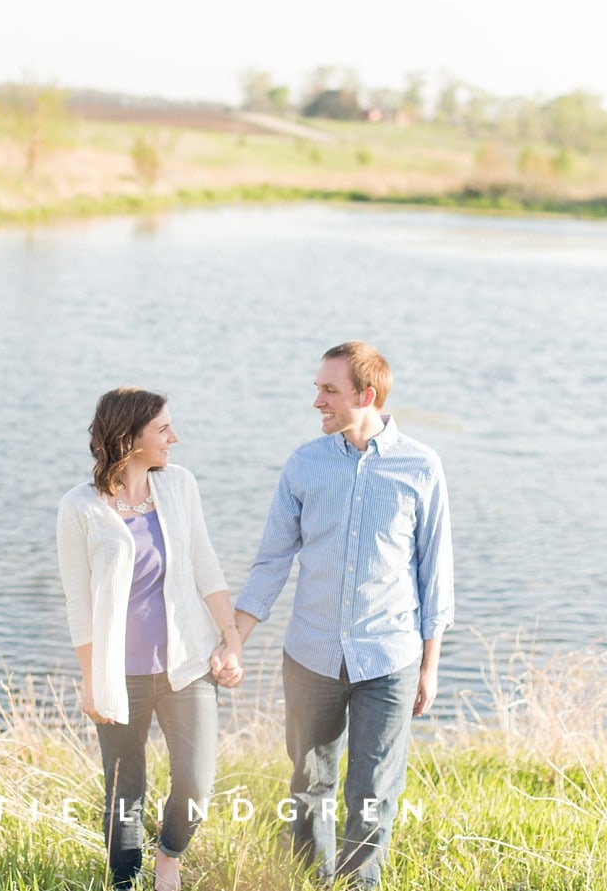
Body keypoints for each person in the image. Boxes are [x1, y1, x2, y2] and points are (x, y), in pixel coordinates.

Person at [224, 342, 454, 888]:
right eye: (317, 389)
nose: (317, 402)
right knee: (308, 786)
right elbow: (272, 562)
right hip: (311, 655)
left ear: (366, 395)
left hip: (389, 657)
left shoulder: (421, 467)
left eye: (329, 390)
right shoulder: (305, 464)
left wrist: (430, 666)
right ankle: (311, 883)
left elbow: (435, 574)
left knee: (373, 793)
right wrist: (234, 639)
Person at [57, 387, 245, 890]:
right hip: (120, 675)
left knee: (197, 783)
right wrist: (92, 682)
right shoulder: (79, 508)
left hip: (187, 666)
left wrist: (230, 638)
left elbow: (206, 564)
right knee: (124, 792)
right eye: (163, 429)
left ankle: (169, 855)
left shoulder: (178, 485)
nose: (174, 437)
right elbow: (79, 604)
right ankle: (123, 881)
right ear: (130, 437)